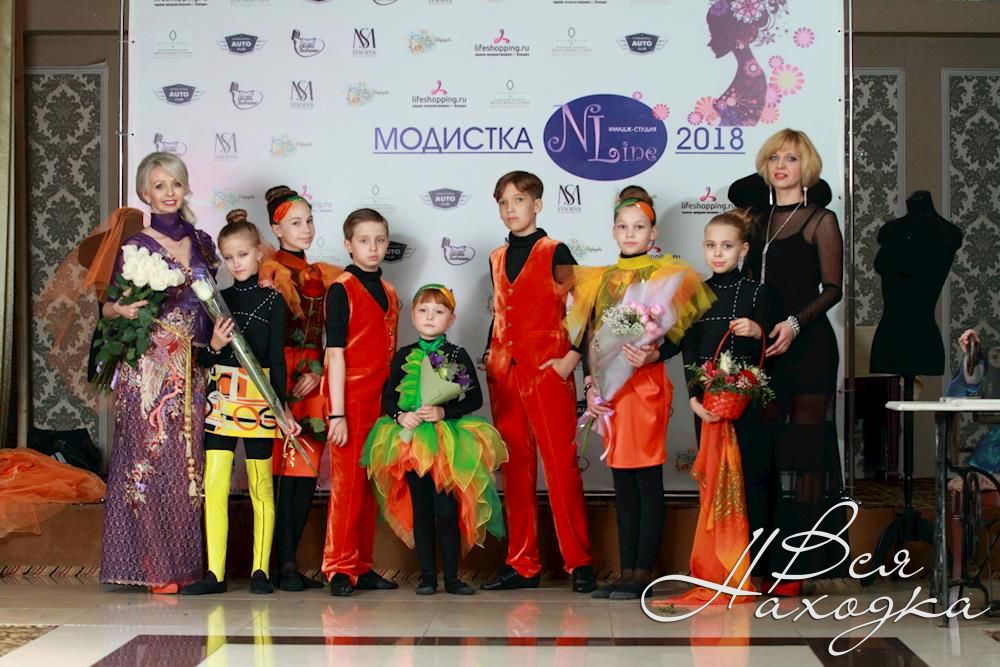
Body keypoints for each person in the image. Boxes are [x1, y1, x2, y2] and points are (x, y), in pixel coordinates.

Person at [567, 190, 712, 600]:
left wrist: (654, 354)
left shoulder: (669, 276)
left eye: (639, 226)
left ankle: (643, 571)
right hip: (610, 391)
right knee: (622, 482)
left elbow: (684, 335)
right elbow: (590, 339)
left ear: (653, 232)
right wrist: (591, 383)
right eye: (623, 226)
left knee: (646, 478)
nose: (631, 233)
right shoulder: (599, 279)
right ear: (614, 231)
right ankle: (625, 570)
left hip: (645, 387)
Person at [730, 128, 846, 592]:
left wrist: (796, 323)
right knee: (766, 455)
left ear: (808, 167)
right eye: (774, 158)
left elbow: (833, 289)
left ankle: (803, 565)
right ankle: (765, 562)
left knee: (806, 456)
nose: (781, 166)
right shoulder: (754, 222)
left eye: (792, 158)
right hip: (764, 348)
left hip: (810, 346)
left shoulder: (821, 220)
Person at [98, 152, 219, 593]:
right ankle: (155, 568)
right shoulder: (136, 246)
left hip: (192, 366)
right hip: (149, 367)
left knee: (188, 465)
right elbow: (107, 307)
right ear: (144, 193)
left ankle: (184, 564)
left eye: (176, 184)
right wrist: (122, 309)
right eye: (159, 185)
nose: (169, 193)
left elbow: (214, 301)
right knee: (147, 463)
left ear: (185, 188)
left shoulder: (202, 241)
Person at [481, 170, 595, 593]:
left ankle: (579, 563)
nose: (511, 209)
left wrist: (571, 360)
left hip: (548, 372)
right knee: (515, 469)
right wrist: (490, 354)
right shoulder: (495, 257)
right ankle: (522, 563)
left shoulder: (554, 251)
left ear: (538, 205)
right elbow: (502, 311)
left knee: (561, 468)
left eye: (519, 200)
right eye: (503, 202)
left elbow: (584, 307)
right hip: (505, 374)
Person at [181, 210, 301, 596]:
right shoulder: (217, 300)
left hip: (259, 400)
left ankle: (260, 571)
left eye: (243, 255)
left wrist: (282, 407)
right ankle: (214, 573)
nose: (236, 263)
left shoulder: (273, 300)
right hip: (221, 398)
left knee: (260, 485)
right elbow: (203, 359)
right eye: (229, 257)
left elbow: (278, 360)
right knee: (215, 484)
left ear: (259, 252)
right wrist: (215, 345)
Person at [361, 284, 508, 595]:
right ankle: (427, 576)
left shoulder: (455, 355)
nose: (430, 317)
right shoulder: (404, 355)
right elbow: (389, 398)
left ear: (451, 319)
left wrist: (444, 411)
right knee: (422, 508)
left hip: (447, 442)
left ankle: (452, 577)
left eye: (439, 311)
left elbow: (474, 398)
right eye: (423, 311)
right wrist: (400, 416)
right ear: (412, 317)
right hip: (411, 443)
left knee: (446, 510)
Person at [671, 209, 774, 604]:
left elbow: (770, 351)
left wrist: (758, 330)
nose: (718, 253)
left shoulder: (758, 293)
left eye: (727, 246)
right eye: (711, 246)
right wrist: (694, 399)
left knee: (751, 482)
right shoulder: (695, 294)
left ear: (743, 249)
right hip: (708, 408)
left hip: (747, 407)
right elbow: (690, 352)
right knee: (713, 483)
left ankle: (753, 568)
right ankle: (715, 565)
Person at [258, 186, 342, 592]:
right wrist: (284, 379)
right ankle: (281, 563)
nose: (306, 229)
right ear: (277, 229)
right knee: (280, 472)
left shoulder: (324, 274)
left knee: (305, 470)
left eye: (309, 221)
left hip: (313, 377)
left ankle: (289, 564)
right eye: (296, 222)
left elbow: (333, 335)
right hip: (280, 374)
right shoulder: (269, 272)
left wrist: (319, 367)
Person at [322, 208, 400, 597]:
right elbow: (335, 353)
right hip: (350, 399)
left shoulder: (390, 292)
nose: (373, 247)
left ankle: (362, 565)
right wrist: (337, 413)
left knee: (370, 486)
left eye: (380, 240)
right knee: (347, 486)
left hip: (381, 401)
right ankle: (338, 565)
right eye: (364, 240)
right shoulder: (342, 289)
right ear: (348, 245)